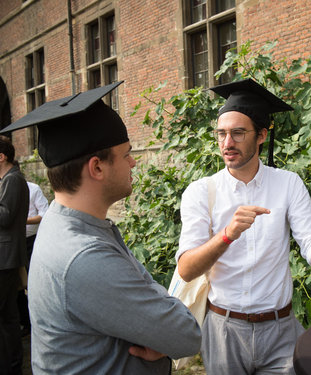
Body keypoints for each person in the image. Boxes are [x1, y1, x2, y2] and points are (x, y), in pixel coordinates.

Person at [176, 78, 311, 374]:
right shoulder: (201, 192)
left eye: (238, 134)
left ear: (262, 135)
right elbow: (187, 268)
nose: (227, 144)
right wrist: (226, 235)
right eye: (221, 134)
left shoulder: (288, 184)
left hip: (281, 332)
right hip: (223, 331)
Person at [1, 81, 202, 374]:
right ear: (97, 167)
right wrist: (161, 326)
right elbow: (186, 336)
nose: (134, 163)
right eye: (126, 154)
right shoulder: (85, 255)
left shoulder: (63, 222)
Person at [0, 135, 29, 375]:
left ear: (1, 157)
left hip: (6, 258)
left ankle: (11, 365)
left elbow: (5, 217)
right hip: (5, 257)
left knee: (6, 316)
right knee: (8, 316)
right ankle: (11, 365)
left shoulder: (13, 180)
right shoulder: (8, 179)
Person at [17, 181, 49, 336]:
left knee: (34, 283)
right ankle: (25, 322)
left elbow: (44, 213)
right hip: (13, 243)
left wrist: (22, 221)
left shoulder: (33, 188)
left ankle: (39, 324)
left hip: (31, 241)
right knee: (17, 285)